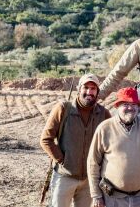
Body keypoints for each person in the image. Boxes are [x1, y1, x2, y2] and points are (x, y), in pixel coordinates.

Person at [40, 73, 111, 207]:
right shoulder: (63, 109)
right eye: (86, 87)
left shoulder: (103, 114)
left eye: (93, 88)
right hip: (64, 176)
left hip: (90, 180)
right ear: (79, 89)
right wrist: (62, 160)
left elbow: (112, 141)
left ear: (97, 92)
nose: (89, 92)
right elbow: (46, 139)